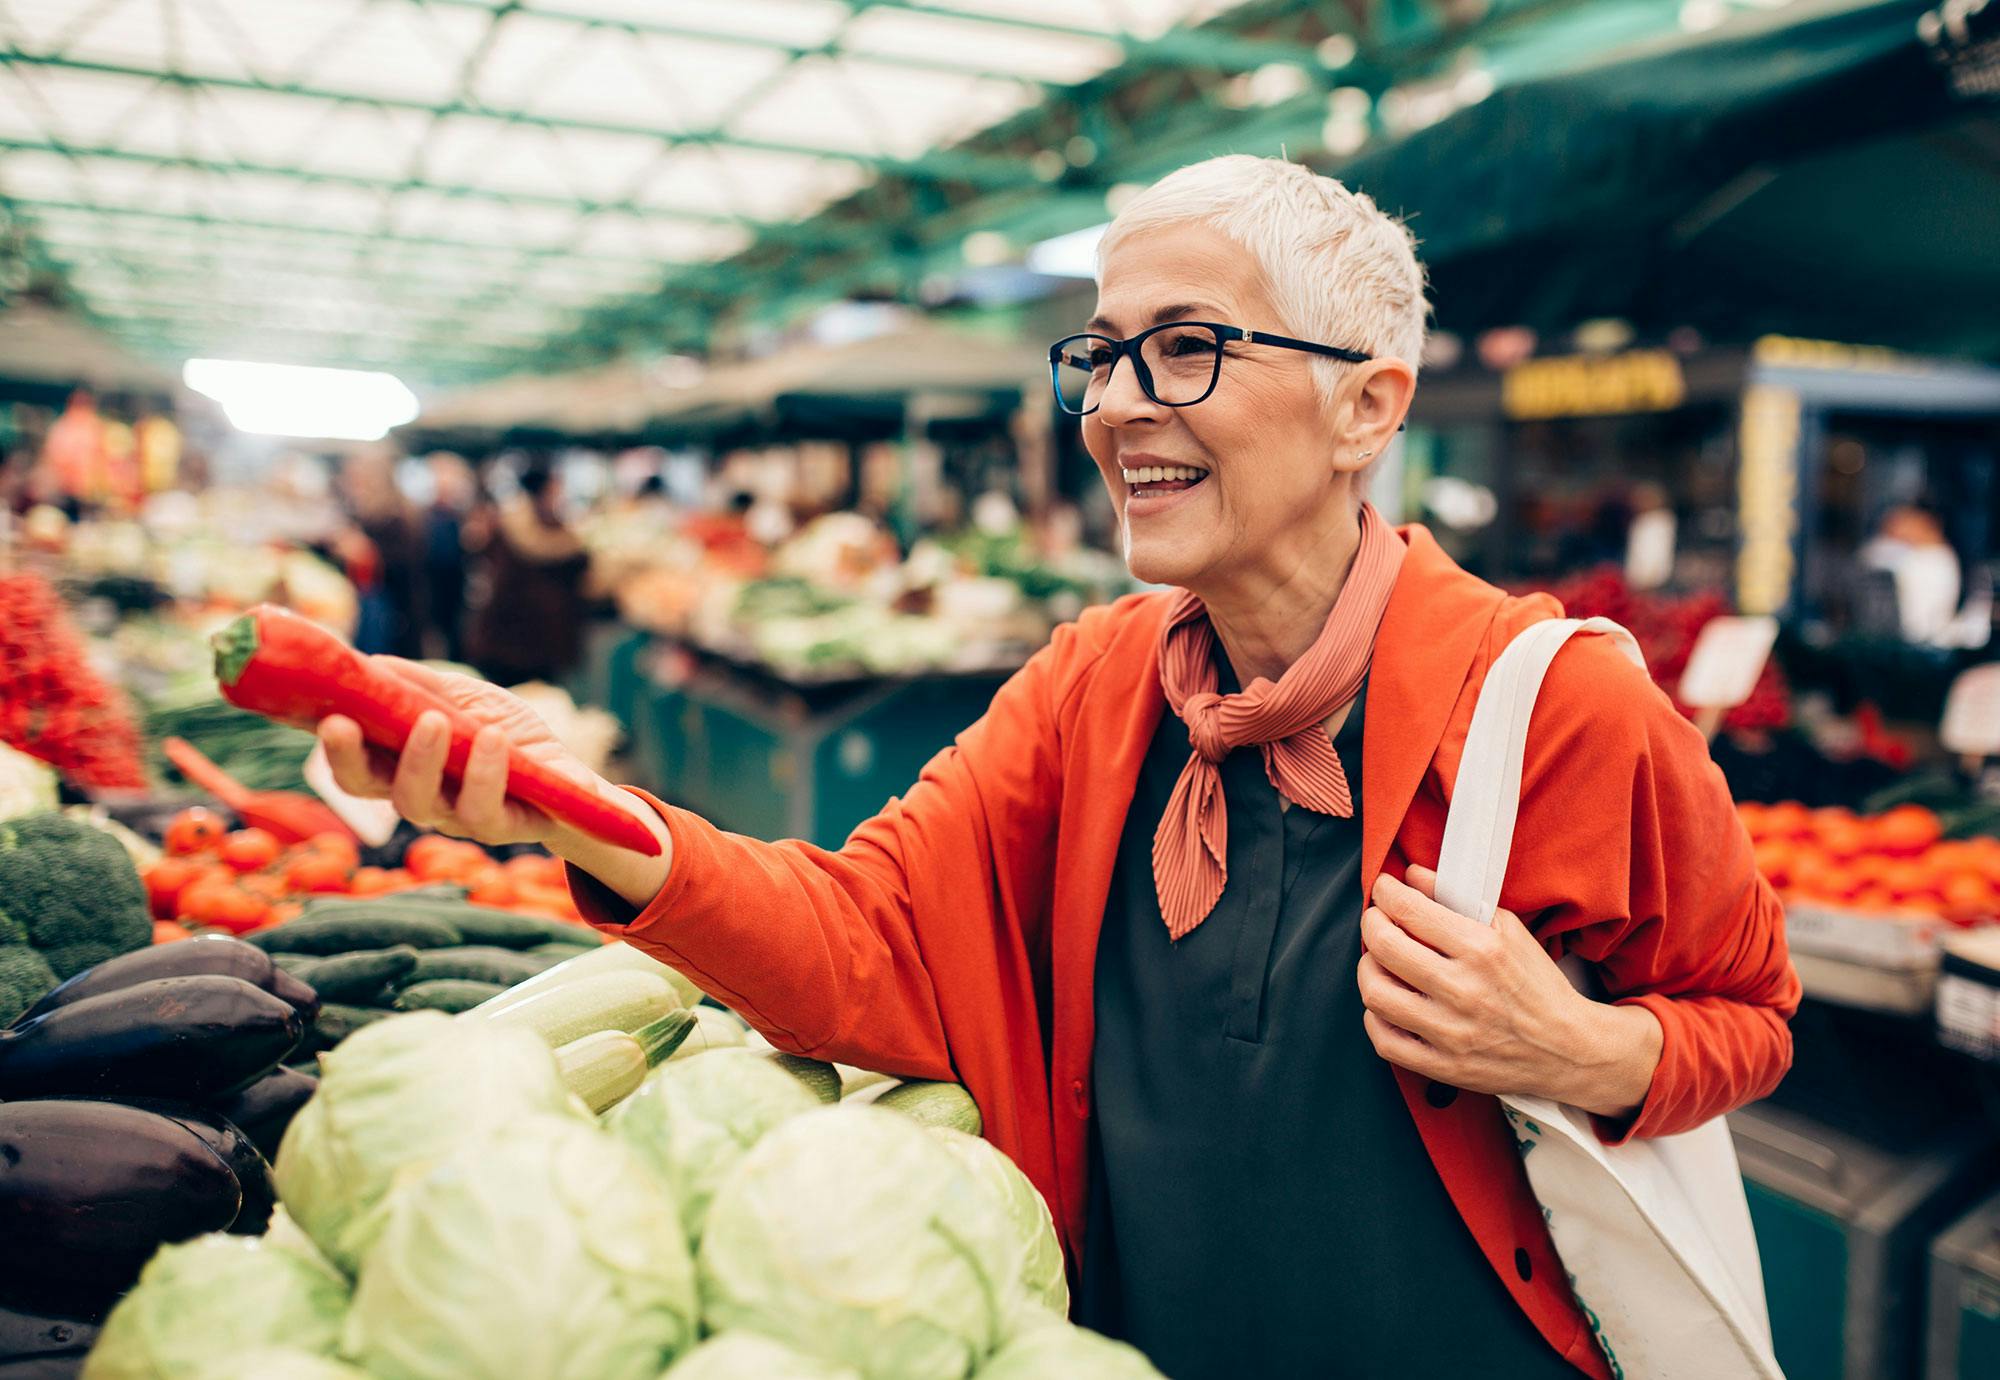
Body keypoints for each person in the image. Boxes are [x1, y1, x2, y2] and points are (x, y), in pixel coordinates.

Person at [319, 156, 1797, 1380]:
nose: (1116, 403)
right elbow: (865, 936)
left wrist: (1590, 1054)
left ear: (1367, 405)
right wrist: (574, 806)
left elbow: (1746, 1012)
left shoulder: (1555, 706)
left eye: (1187, 347)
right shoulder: (1096, 686)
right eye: (1100, 354)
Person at [466, 459, 588, 685]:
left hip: (509, 634)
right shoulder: (555, 528)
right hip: (532, 636)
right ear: (546, 489)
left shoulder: (505, 522)